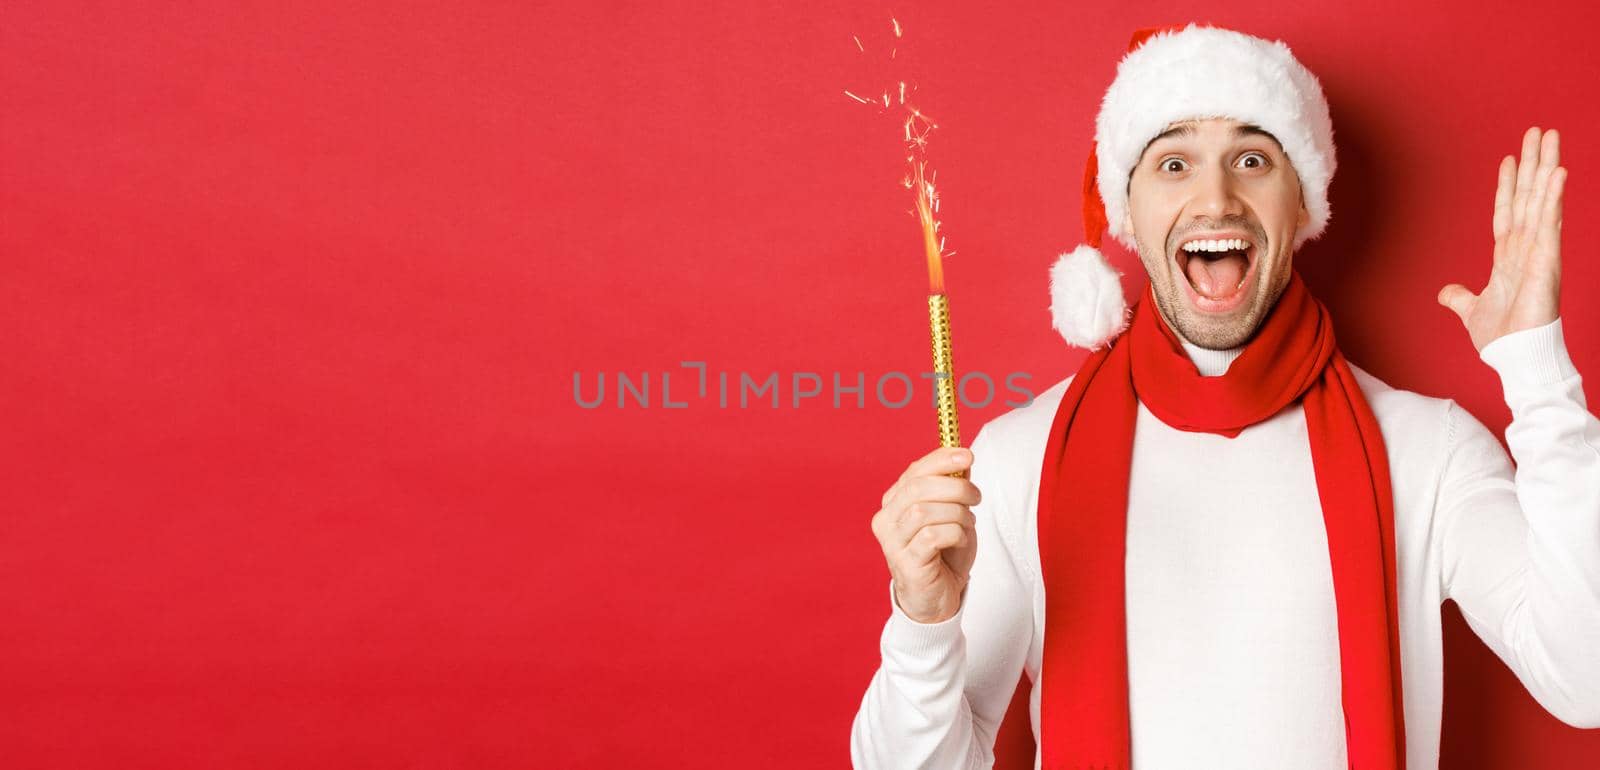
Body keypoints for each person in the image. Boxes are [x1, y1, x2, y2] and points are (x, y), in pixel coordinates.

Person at [850, 23, 1600, 770]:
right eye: (1174, 163)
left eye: (1251, 159)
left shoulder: (1427, 449)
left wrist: (1536, 372)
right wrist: (922, 623)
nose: (1216, 199)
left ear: (1303, 203)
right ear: (1127, 211)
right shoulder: (1020, 458)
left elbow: (1586, 680)